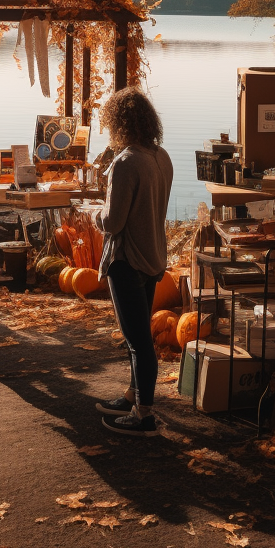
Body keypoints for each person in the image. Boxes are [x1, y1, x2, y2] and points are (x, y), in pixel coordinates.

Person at [94, 87, 173, 436]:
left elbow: (112, 222)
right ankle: (132, 394)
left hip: (127, 260)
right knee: (138, 339)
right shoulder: (161, 156)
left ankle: (144, 415)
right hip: (154, 255)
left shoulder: (126, 162)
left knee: (138, 341)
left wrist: (91, 212)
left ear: (118, 123)